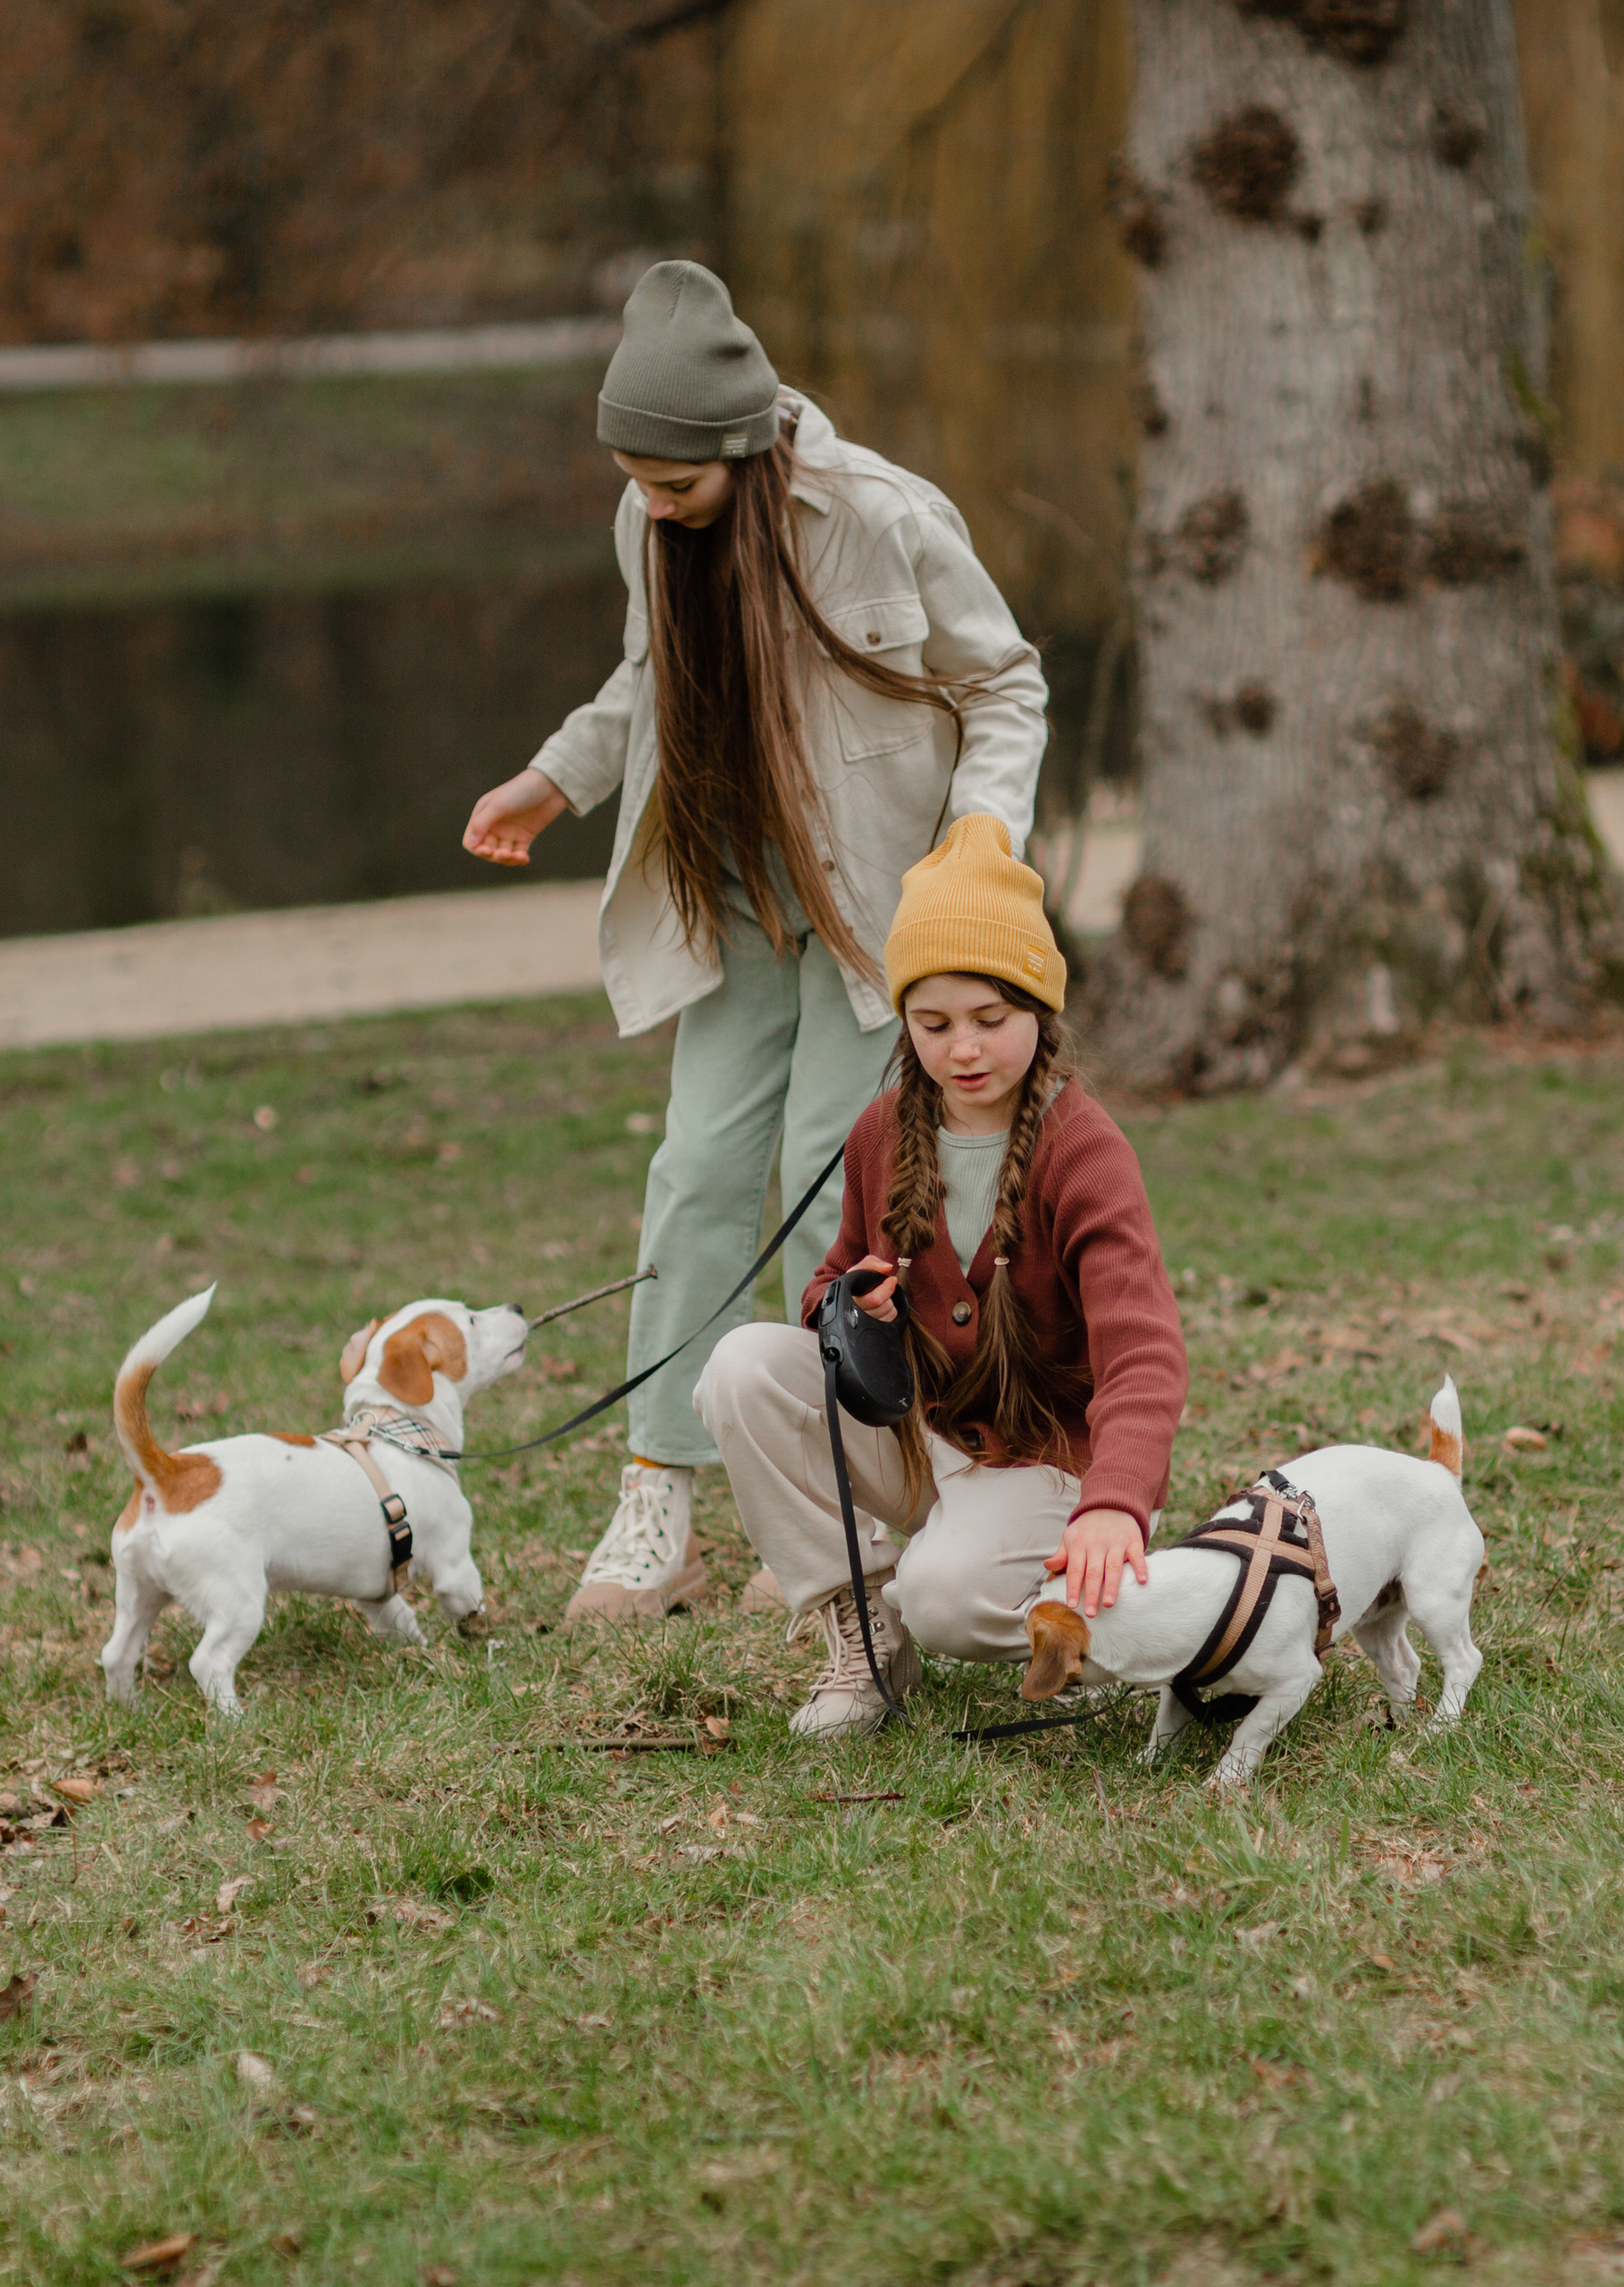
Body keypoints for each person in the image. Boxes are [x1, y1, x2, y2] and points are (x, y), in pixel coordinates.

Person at [461, 263, 1046, 1623]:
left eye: (673, 483)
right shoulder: (652, 514)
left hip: (873, 901)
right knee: (698, 1171)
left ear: (739, 448)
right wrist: (555, 779)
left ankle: (837, 1501)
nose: (651, 504)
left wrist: (978, 843)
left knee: (831, 1178)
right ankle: (657, 1499)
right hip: (727, 886)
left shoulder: (883, 516)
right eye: (635, 481)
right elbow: (645, 676)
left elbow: (1002, 682)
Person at [693, 815, 1188, 1734]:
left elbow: (1144, 1355)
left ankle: (1120, 1614)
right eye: (934, 1024)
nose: (963, 1048)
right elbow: (830, 1283)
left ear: (1038, 1012)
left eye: (990, 1021)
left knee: (945, 1599)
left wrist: (1116, 1502)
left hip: (1043, 1457)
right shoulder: (882, 1133)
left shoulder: (1084, 1152)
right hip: (921, 1437)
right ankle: (863, 1626)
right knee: (740, 1368)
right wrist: (849, 1303)